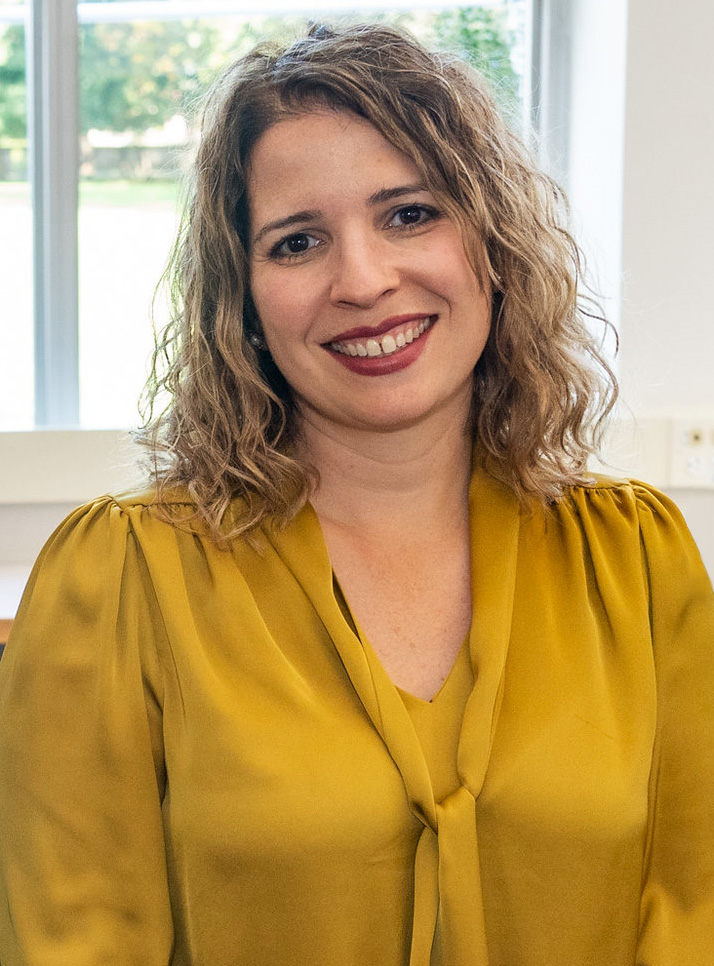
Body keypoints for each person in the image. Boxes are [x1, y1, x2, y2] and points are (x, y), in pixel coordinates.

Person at [0, 21, 712, 966]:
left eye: (410, 214)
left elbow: (691, 920)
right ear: (243, 301)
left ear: (491, 244)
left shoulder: (635, 560)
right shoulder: (122, 579)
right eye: (297, 242)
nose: (365, 280)